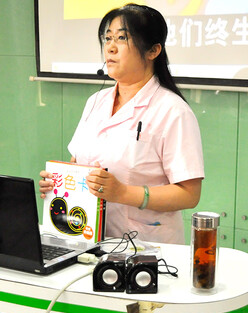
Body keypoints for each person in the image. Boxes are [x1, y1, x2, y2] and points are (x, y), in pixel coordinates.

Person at [39, 3, 204, 244]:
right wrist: (59, 183)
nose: (110, 47)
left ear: (153, 50)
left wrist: (124, 193)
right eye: (107, 38)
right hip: (86, 237)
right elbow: (78, 163)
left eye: (122, 38)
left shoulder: (173, 110)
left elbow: (189, 195)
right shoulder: (96, 101)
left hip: (146, 246)